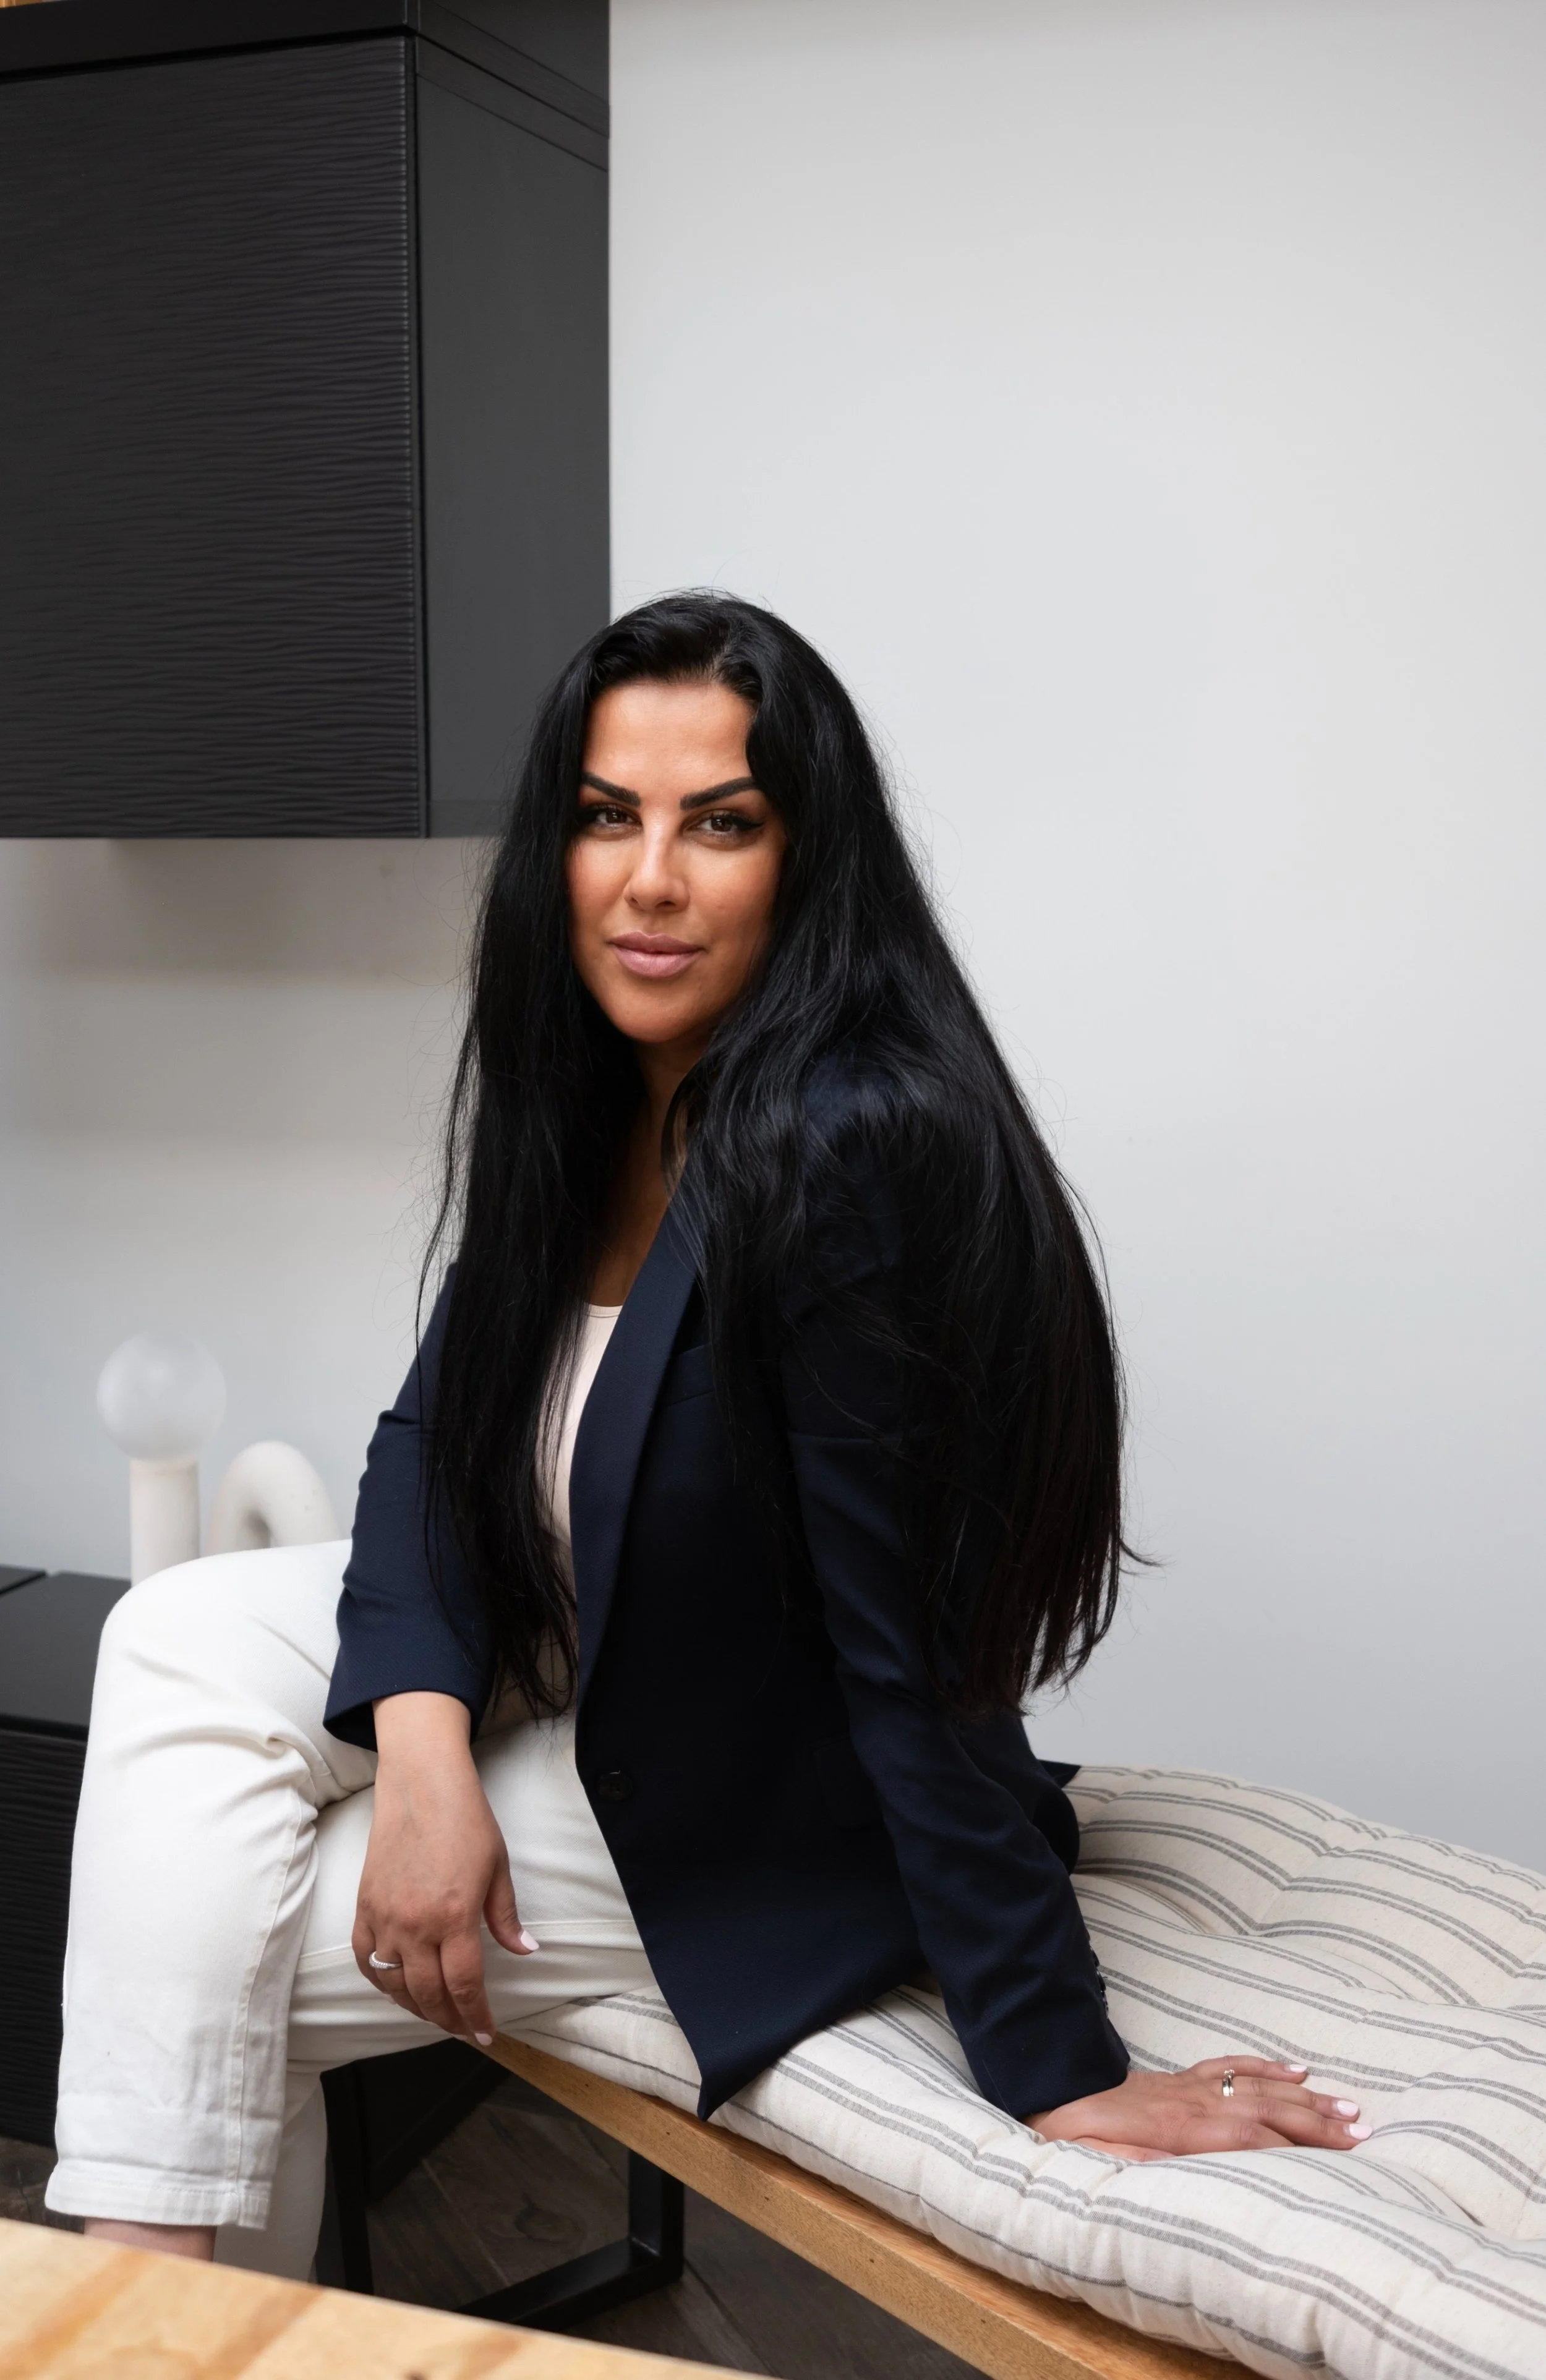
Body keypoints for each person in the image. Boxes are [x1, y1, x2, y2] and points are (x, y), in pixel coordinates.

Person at [48, 594, 1367, 2276]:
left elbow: (917, 1656)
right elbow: (426, 1446)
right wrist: (429, 1762)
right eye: (607, 817)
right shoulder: (599, 1087)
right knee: (165, 1632)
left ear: (807, 860)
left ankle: (135, 2312)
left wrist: (1059, 2064)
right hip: (577, 1649)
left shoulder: (846, 1152)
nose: (648, 881)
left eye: (720, 825)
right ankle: (153, 2313)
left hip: (749, 1777)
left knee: (198, 1951)